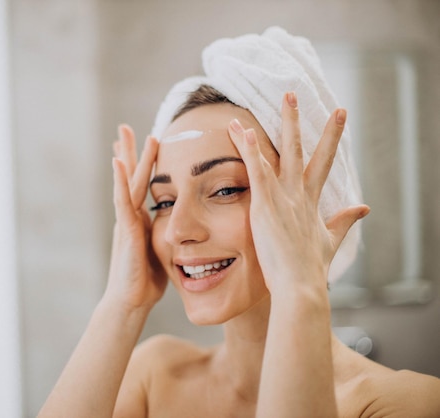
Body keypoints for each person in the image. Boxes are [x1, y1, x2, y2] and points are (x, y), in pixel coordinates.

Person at [38, 27, 440, 417]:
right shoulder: (153, 379)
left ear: (310, 209)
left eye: (226, 189)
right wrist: (122, 304)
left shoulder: (402, 403)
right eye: (163, 201)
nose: (178, 230)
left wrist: (300, 289)